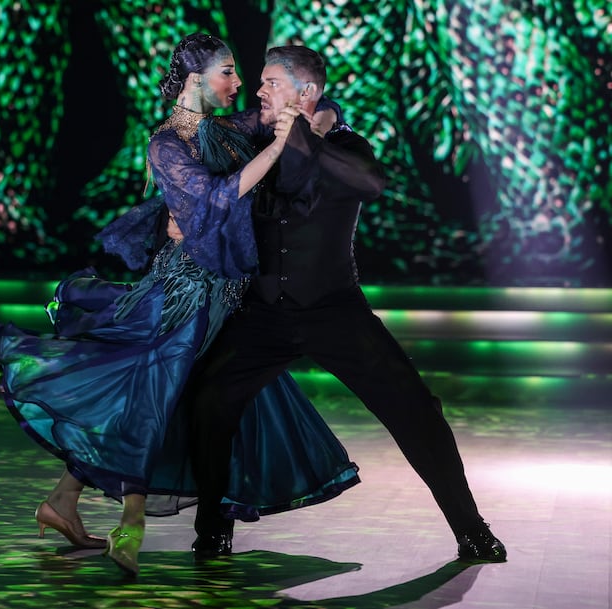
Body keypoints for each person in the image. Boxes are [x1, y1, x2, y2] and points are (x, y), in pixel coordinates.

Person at [0, 33, 361, 577]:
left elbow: (317, 103)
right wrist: (281, 147)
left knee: (176, 397)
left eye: (244, 75)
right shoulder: (165, 144)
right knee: (157, 393)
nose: (243, 86)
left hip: (229, 293)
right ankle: (130, 525)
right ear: (195, 80)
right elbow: (211, 201)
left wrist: (317, 124)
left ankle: (65, 502)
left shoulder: (231, 128)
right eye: (229, 73)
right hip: (186, 290)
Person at [187, 44, 507, 564]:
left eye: (272, 82)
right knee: (208, 401)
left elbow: (371, 183)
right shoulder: (252, 143)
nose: (259, 90)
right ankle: (212, 528)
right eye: (261, 82)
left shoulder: (347, 145)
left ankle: (470, 528)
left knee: (416, 411)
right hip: (265, 314)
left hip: (334, 309)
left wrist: (309, 132)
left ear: (305, 93)